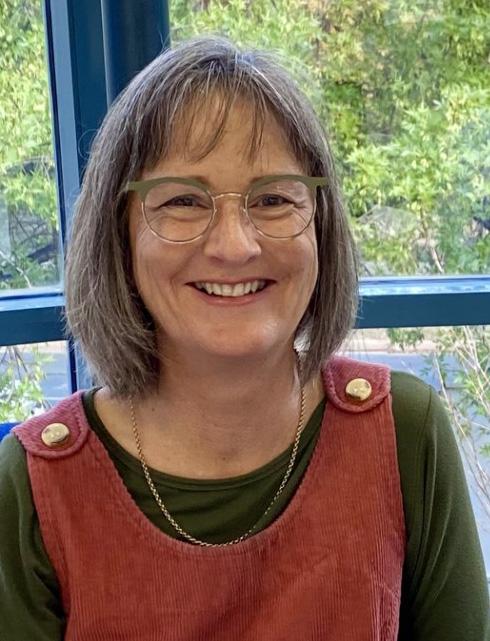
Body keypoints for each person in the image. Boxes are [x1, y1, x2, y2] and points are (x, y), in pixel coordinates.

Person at [0, 35, 488, 641]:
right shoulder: (33, 489)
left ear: (321, 226)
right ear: (117, 236)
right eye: (183, 200)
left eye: (273, 198)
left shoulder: (405, 434)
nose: (234, 245)